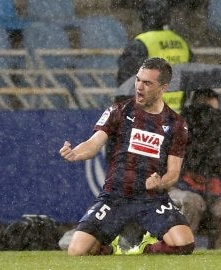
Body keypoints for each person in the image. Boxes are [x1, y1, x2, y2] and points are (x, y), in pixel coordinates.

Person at [59, 57, 195, 256]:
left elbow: (173, 173)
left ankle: (145, 247)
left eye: (147, 83)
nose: (139, 87)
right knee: (76, 252)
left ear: (163, 88)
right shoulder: (120, 110)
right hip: (116, 195)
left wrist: (160, 184)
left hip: (151, 199)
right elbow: (94, 142)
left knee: (184, 245)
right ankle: (111, 245)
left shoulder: (176, 124)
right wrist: (76, 153)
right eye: (138, 80)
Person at [169, 88, 221, 249]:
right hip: (177, 192)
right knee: (192, 202)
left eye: (215, 112)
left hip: (211, 197)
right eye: (208, 110)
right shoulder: (177, 128)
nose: (211, 116)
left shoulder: (219, 135)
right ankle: (180, 249)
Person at [117, 0, 193, 86]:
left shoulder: (141, 44)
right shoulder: (182, 43)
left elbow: (126, 81)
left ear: (143, 18)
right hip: (177, 99)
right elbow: (190, 78)